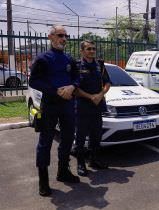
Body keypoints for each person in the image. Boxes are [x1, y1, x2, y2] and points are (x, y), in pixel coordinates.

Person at [29, 25, 80, 197]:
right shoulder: (42, 58)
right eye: (60, 35)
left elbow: (77, 77)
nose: (64, 39)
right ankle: (43, 182)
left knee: (67, 138)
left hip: (67, 105)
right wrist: (56, 90)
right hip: (50, 105)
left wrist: (72, 86)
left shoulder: (69, 59)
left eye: (66, 36)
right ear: (51, 37)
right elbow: (34, 81)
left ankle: (63, 171)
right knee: (45, 141)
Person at [73, 40, 111, 176]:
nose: (92, 51)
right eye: (88, 49)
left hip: (97, 106)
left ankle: (94, 160)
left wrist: (100, 95)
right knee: (81, 137)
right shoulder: (76, 66)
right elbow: (74, 88)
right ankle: (81, 164)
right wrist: (91, 97)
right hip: (82, 106)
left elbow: (107, 83)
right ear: (82, 51)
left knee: (96, 135)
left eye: (93, 49)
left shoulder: (100, 65)